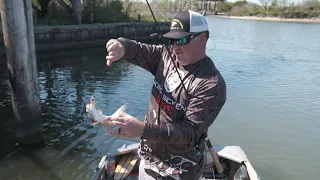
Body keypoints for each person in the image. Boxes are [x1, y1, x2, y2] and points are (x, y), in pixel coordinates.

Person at [105, 10, 227, 180]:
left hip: (180, 171)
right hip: (148, 160)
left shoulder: (211, 84)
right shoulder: (166, 56)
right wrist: (121, 46)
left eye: (182, 39)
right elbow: (139, 51)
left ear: (202, 38)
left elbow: (188, 132)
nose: (175, 46)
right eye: (172, 39)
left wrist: (142, 129)